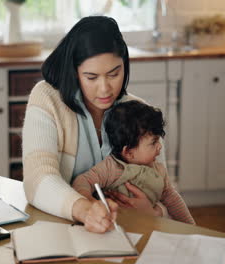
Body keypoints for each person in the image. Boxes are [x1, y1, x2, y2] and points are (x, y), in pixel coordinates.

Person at [22, 15, 171, 233]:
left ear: (125, 66)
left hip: (131, 234)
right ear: (74, 73)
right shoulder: (47, 98)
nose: (105, 89)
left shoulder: (139, 112)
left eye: (114, 74)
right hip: (64, 232)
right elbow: (38, 179)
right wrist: (85, 209)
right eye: (91, 77)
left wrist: (156, 213)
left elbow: (165, 189)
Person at [72, 101, 195, 224]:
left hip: (149, 228)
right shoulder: (112, 167)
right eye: (154, 142)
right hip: (115, 231)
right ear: (129, 152)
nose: (159, 147)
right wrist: (91, 203)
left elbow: (172, 199)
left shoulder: (159, 170)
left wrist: (192, 227)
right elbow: (82, 181)